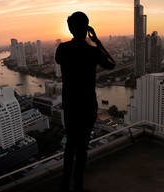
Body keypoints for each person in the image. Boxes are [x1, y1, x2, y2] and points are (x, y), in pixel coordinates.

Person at [55, 11, 116, 192]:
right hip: (87, 106)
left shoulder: (62, 49)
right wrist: (96, 40)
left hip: (70, 106)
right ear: (87, 28)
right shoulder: (93, 52)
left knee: (70, 146)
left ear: (70, 29)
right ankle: (78, 187)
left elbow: (59, 60)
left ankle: (65, 186)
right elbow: (112, 64)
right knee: (81, 149)